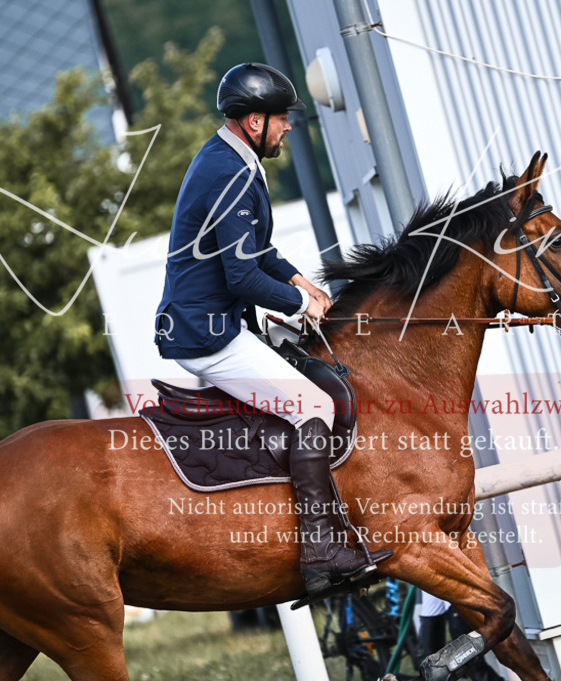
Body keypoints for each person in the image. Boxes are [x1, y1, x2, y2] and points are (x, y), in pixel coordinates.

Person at [154, 62, 391, 597]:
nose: (288, 127)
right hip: (208, 336)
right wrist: (299, 305)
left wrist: (306, 284)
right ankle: (323, 548)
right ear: (253, 121)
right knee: (315, 407)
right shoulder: (228, 171)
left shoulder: (232, 160)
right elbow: (241, 275)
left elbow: (258, 253)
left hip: (215, 323)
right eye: (282, 119)